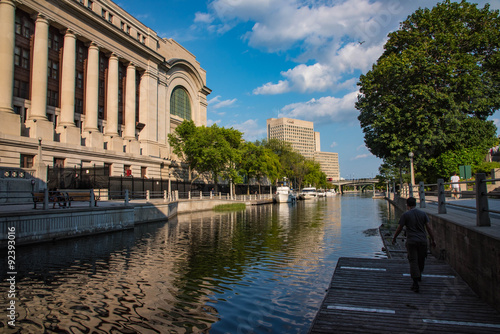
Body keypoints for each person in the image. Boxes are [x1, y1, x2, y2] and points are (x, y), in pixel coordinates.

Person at [392, 197, 436, 293]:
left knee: (413, 260)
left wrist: (394, 238)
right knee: (421, 259)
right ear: (415, 204)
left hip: (411, 240)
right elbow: (428, 228)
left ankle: (415, 282)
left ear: (407, 205)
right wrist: (433, 240)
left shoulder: (406, 215)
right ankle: (419, 274)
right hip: (423, 241)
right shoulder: (423, 214)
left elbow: (399, 228)